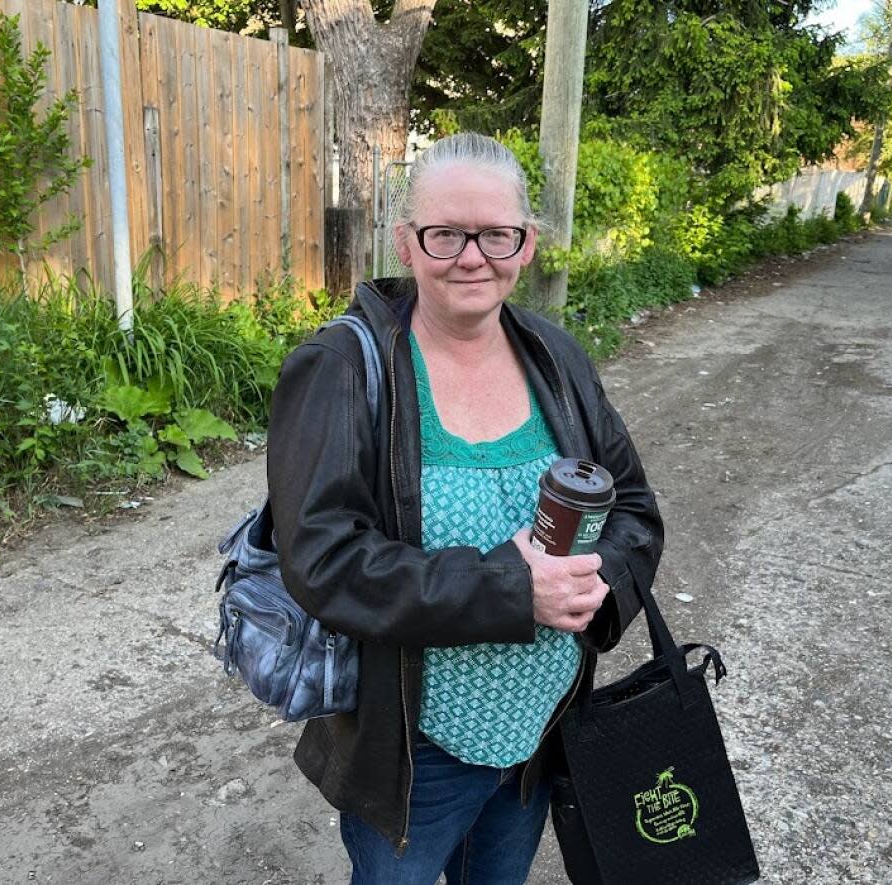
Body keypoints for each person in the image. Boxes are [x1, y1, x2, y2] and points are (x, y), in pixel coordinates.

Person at [266, 132, 664, 884]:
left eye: (495, 234)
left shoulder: (556, 355)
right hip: (414, 757)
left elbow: (635, 507)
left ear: (527, 244)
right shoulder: (343, 369)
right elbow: (322, 560)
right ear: (406, 243)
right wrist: (515, 590)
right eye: (445, 233)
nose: (471, 256)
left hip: (539, 738)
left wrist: (599, 579)